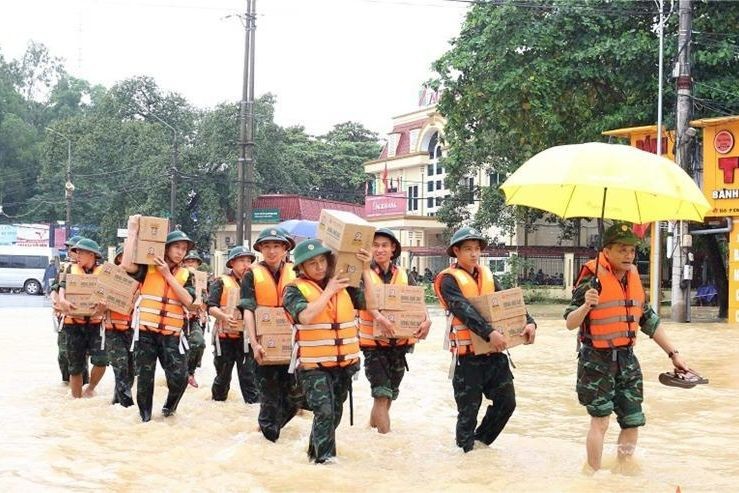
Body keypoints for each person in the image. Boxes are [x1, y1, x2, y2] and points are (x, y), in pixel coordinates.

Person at [565, 222, 691, 472]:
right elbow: (570, 322)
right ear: (607, 251)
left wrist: (673, 354)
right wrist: (586, 305)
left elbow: (648, 320)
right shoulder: (592, 278)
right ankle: (592, 477)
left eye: (632, 251)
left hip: (627, 359)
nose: (629, 256)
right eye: (622, 250)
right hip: (596, 360)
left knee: (632, 420)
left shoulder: (632, 278)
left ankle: (622, 474)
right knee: (600, 420)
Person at [433, 227, 536, 453]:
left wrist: (529, 321)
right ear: (456, 252)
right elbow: (464, 310)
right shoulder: (448, 281)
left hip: (494, 356)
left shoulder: (488, 276)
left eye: (477, 249)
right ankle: (465, 457)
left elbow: (508, 302)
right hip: (467, 359)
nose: (473, 254)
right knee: (468, 413)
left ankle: (479, 445)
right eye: (468, 249)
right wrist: (490, 332)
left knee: (507, 403)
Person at [283, 239, 371, 464]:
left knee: (335, 414)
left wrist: (366, 271)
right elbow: (306, 317)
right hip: (314, 366)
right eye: (312, 263)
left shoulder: (344, 285)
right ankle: (326, 463)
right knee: (324, 412)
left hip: (343, 365)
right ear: (301, 268)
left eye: (322, 260)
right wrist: (329, 291)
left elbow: (371, 302)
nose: (320, 266)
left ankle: (314, 454)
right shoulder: (293, 290)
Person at [121, 218, 195, 422]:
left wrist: (167, 276)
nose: (180, 252)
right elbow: (126, 265)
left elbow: (188, 301)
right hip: (146, 332)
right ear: (166, 248)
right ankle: (145, 419)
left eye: (183, 249)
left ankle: (169, 410)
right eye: (176, 247)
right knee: (145, 379)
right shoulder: (148, 266)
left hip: (171, 336)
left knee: (179, 378)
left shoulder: (187, 275)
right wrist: (133, 231)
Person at [358, 228, 431, 433]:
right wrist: (380, 318)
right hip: (373, 346)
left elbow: (418, 300)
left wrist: (427, 320)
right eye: (375, 245)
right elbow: (361, 301)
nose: (380, 249)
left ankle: (370, 430)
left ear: (393, 250)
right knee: (381, 394)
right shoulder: (362, 274)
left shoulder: (405, 275)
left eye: (384, 245)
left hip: (399, 346)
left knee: (389, 395)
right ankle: (386, 444)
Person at [242, 228, 303, 442]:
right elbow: (248, 309)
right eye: (266, 246)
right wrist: (254, 342)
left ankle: (268, 430)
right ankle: (268, 443)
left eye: (276, 246)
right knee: (269, 399)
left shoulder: (297, 272)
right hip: (264, 344)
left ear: (285, 248)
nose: (271, 251)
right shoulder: (251, 273)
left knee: (296, 400)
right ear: (260, 249)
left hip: (292, 345)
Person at [57, 238, 108, 398]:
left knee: (101, 360)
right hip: (73, 325)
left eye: (81, 252)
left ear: (92, 254)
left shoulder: (104, 272)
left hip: (96, 324)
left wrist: (103, 307)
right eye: (76, 252)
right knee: (75, 367)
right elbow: (61, 290)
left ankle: (91, 387)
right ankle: (76, 400)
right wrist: (63, 301)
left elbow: (110, 297)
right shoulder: (70, 270)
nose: (77, 255)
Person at [207, 246, 259, 404]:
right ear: (232, 263)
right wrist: (223, 316)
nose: (246, 264)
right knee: (223, 377)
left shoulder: (254, 283)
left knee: (249, 377)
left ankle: (253, 411)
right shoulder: (220, 282)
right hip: (224, 338)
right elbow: (210, 306)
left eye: (249, 261)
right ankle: (217, 404)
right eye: (242, 260)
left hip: (245, 339)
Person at [50, 235, 88, 385]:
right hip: (64, 318)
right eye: (69, 250)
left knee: (81, 356)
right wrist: (55, 302)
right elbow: (55, 288)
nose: (70, 252)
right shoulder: (65, 268)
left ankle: (83, 385)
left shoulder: (91, 268)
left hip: (85, 319)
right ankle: (66, 383)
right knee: (63, 353)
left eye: (73, 250)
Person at [104, 245, 136, 407]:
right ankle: (127, 407)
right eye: (123, 257)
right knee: (121, 369)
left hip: (134, 331)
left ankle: (116, 402)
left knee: (131, 371)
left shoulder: (140, 279)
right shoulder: (108, 277)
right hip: (114, 331)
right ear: (118, 259)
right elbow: (97, 304)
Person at [182, 250, 207, 388]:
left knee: (199, 343)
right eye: (188, 261)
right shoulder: (178, 276)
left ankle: (190, 373)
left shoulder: (201, 280)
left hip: (193, 319)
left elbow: (205, 300)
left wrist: (202, 312)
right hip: (177, 317)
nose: (191, 263)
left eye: (193, 261)